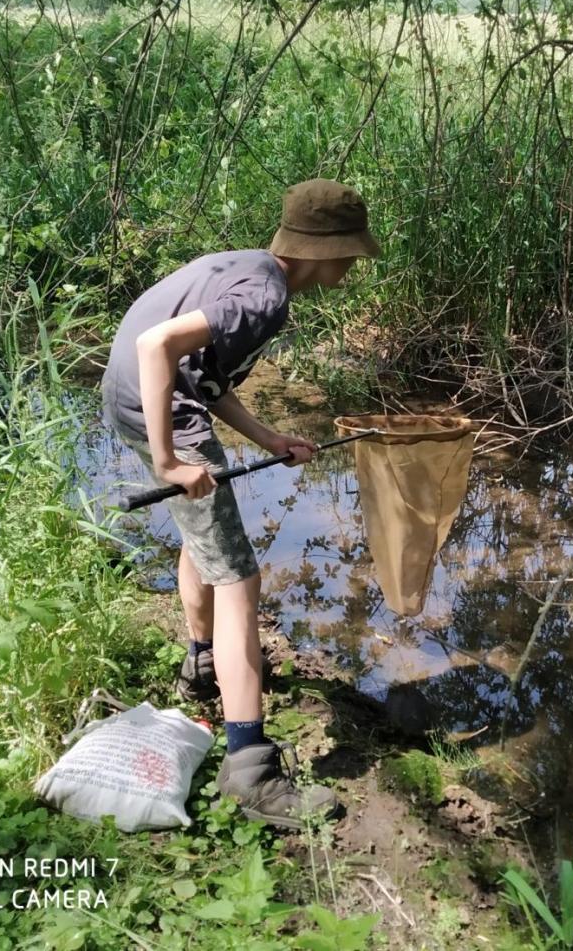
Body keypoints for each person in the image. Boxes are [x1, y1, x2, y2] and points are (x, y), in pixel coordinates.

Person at [101, 179, 380, 827]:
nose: (353, 266)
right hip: (158, 412)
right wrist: (172, 459)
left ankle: (202, 663)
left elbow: (205, 377)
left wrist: (270, 437)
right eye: (351, 253)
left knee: (205, 541)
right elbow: (156, 347)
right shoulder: (266, 296)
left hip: (139, 403)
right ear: (324, 249)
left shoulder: (247, 267)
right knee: (240, 579)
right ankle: (249, 767)